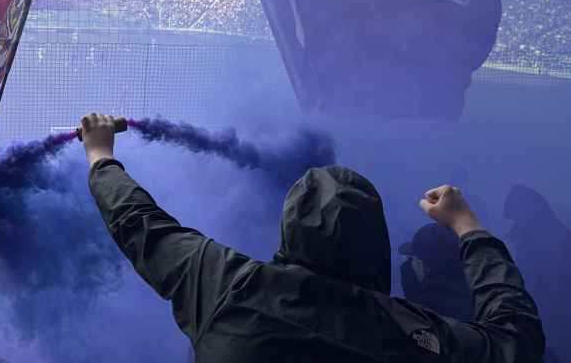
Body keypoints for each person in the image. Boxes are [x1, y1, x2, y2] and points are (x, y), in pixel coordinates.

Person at [79, 113, 544, 363]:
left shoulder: (228, 285)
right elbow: (516, 339)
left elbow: (139, 221)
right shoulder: (414, 335)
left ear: (290, 228)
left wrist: (101, 155)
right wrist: (468, 227)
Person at [504, 184, 571, 361]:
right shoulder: (532, 238)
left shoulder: (557, 241)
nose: (514, 224)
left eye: (516, 218)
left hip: (554, 315)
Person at [399, 222, 473, 320]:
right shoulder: (477, 290)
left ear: (425, 266)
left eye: (413, 259)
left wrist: (413, 291)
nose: (410, 264)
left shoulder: (429, 309)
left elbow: (419, 323)